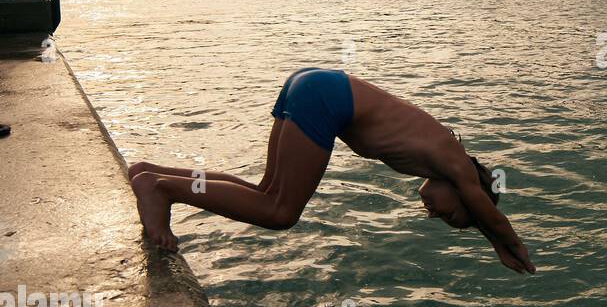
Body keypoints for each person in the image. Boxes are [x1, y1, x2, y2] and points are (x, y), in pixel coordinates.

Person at [128, 68, 534, 274]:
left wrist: (488, 233)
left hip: (315, 84)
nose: (433, 213)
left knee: (265, 191)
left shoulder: (440, 156)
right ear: (466, 191)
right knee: (279, 212)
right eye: (448, 213)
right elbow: (487, 209)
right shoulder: (458, 162)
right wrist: (506, 244)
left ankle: (151, 174)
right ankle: (163, 190)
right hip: (327, 98)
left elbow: (479, 208)